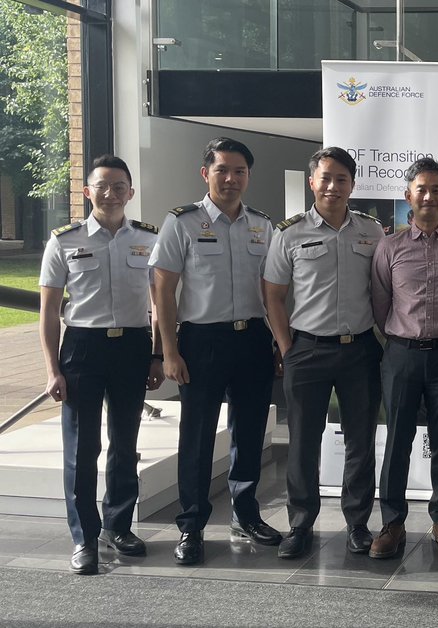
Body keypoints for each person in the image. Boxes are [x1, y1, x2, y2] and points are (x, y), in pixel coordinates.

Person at [150, 137, 282, 565]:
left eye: (239, 171)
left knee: (249, 432)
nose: (231, 178)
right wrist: (169, 350)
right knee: (198, 436)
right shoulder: (182, 222)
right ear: (205, 173)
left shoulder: (264, 226)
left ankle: (246, 513)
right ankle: (191, 525)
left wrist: (279, 342)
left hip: (253, 340)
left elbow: (277, 291)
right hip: (201, 341)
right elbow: (163, 291)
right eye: (222, 170)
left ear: (248, 176)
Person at [38, 155, 164, 575]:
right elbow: (49, 310)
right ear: (87, 191)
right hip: (83, 349)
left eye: (119, 186)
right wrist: (53, 369)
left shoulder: (148, 238)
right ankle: (84, 537)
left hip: (131, 347)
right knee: (82, 448)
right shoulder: (64, 241)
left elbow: (159, 304)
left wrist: (157, 353)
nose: (111, 194)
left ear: (131, 191)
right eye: (102, 187)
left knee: (125, 443)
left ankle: (119, 526)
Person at [262, 147, 384, 559]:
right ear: (312, 181)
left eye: (342, 179)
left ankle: (358, 523)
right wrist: (287, 347)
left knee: (360, 441)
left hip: (360, 350)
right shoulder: (290, 233)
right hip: (307, 350)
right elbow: (273, 295)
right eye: (325, 178)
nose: (333, 186)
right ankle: (300, 524)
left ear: (353, 184)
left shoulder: (372, 232)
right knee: (302, 442)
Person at [369, 157, 438, 559]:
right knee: (397, 441)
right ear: (408, 196)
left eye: (437, 190)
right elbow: (381, 305)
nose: (429, 196)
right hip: (401, 355)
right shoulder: (389, 246)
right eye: (422, 189)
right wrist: (402, 341)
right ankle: (392, 523)